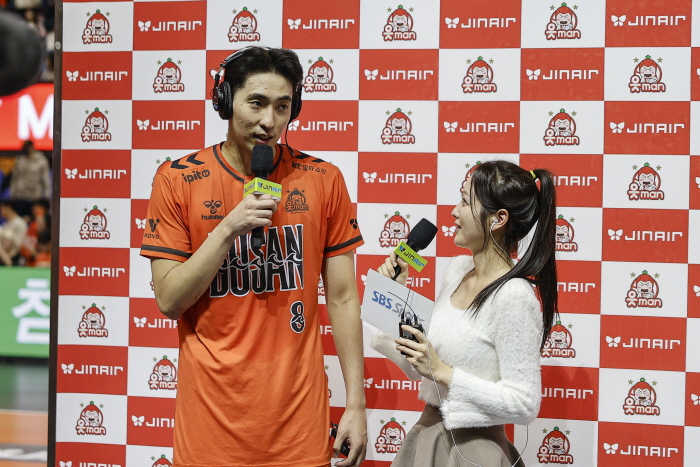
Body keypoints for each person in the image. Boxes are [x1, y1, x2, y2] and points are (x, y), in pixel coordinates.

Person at [140, 46, 367, 467]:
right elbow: (169, 300)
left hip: (299, 429)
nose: (270, 121)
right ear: (226, 101)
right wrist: (228, 228)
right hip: (209, 427)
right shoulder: (177, 180)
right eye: (256, 103)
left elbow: (342, 298)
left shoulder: (324, 179)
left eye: (283, 106)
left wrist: (356, 403)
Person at [373, 161, 558, 467]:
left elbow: (524, 404)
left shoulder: (514, 296)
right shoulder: (457, 270)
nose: (454, 212)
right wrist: (394, 296)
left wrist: (443, 372)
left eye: (465, 201)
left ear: (498, 219)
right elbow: (418, 368)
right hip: (427, 437)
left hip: (475, 452)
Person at [9, 140, 51, 219]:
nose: (26, 149)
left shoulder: (41, 161)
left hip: (35, 196)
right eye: (24, 147)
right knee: (21, 219)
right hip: (20, 195)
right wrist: (12, 193)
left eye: (28, 147)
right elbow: (15, 178)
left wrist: (46, 196)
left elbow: (45, 179)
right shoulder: (20, 160)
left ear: (32, 147)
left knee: (34, 220)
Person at [0, 199, 29, 266]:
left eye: (1, 208)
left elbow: (20, 244)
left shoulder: (19, 223)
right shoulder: (6, 223)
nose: (0, 211)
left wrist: (7, 256)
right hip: (5, 253)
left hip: (16, 256)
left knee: (8, 234)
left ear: (9, 208)